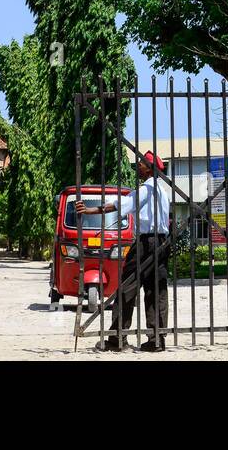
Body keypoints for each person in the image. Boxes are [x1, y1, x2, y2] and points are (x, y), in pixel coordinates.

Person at [75, 150, 171, 352]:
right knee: (156, 291)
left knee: (127, 288)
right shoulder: (163, 190)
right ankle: (157, 339)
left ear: (150, 168)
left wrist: (91, 210)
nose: (138, 166)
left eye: (141, 163)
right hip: (162, 243)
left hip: (146, 243)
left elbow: (122, 204)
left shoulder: (147, 189)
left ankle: (117, 339)